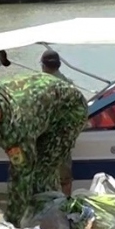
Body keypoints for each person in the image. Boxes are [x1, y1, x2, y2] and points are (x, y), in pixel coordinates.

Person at [0, 73, 87, 226]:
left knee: (42, 172)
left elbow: (21, 177)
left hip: (68, 110)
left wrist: (11, 224)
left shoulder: (16, 126)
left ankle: (51, 222)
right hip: (39, 104)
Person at [40, 48, 74, 195]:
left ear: (43, 66)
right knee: (65, 177)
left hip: (45, 136)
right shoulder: (69, 84)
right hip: (63, 137)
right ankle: (66, 205)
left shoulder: (40, 85)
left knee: (42, 175)